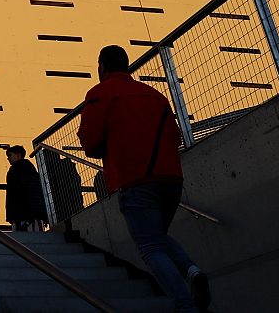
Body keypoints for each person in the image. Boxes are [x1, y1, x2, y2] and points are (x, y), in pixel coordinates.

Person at [79, 45, 211, 313]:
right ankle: (192, 270)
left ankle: (185, 304)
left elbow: (91, 143)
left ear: (101, 67)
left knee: (150, 247)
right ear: (126, 66)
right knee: (156, 235)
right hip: (171, 178)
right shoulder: (154, 95)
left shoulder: (99, 95)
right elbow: (175, 135)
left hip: (136, 178)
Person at [4, 145, 48, 232]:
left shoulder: (16, 169)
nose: (8, 158)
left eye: (10, 155)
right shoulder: (30, 169)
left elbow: (14, 195)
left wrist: (11, 215)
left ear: (18, 155)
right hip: (31, 214)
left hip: (23, 214)